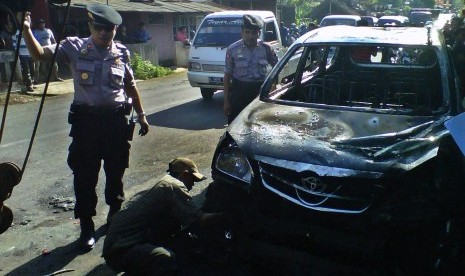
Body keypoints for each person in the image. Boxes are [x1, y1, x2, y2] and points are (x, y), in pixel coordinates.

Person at [21, 3, 150, 251]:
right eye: (99, 28)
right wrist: (27, 30)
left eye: (109, 29)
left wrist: (142, 115)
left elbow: (130, 86)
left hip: (116, 122)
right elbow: (39, 55)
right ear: (90, 26)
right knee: (84, 176)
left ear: (115, 30)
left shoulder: (122, 52)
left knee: (116, 171)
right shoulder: (73, 47)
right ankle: (87, 226)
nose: (104, 33)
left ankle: (114, 213)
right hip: (86, 124)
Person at [103, 158, 230, 275]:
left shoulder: (162, 184)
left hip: (117, 246)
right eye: (193, 180)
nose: (193, 185)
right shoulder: (172, 186)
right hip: (119, 251)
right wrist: (229, 214)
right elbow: (201, 219)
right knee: (165, 258)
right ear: (184, 174)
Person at [223, 14, 278, 124]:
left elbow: (277, 68)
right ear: (242, 32)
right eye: (247, 32)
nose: (250, 36)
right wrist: (226, 101)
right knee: (235, 124)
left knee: (260, 124)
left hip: (260, 91)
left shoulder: (266, 48)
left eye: (253, 32)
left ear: (259, 33)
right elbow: (227, 76)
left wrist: (273, 87)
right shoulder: (232, 50)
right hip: (239, 91)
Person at [32, 18, 62, 83]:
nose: (42, 25)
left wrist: (56, 47)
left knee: (54, 65)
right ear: (38, 25)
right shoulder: (35, 32)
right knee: (39, 66)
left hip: (50, 50)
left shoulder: (48, 31)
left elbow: (53, 39)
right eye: (40, 24)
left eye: (43, 23)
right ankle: (37, 80)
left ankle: (56, 77)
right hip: (40, 50)